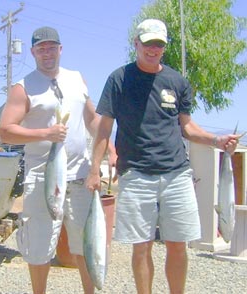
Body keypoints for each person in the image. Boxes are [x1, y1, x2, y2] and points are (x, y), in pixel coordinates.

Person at [85, 19, 240, 294]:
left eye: (158, 44)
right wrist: (94, 169)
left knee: (178, 244)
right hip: (135, 173)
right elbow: (104, 128)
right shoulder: (119, 79)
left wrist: (217, 140)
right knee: (141, 246)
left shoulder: (176, 81)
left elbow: (188, 127)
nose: (153, 49)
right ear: (136, 43)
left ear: (164, 47)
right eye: (148, 43)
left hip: (176, 173)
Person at [0, 26, 116, 294]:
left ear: (61, 49)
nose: (47, 52)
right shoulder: (22, 87)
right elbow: (6, 130)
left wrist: (110, 146)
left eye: (52, 47)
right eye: (41, 48)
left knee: (87, 244)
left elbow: (92, 120)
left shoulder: (77, 79)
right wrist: (46, 133)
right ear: (32, 52)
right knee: (39, 246)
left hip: (81, 176)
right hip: (42, 177)